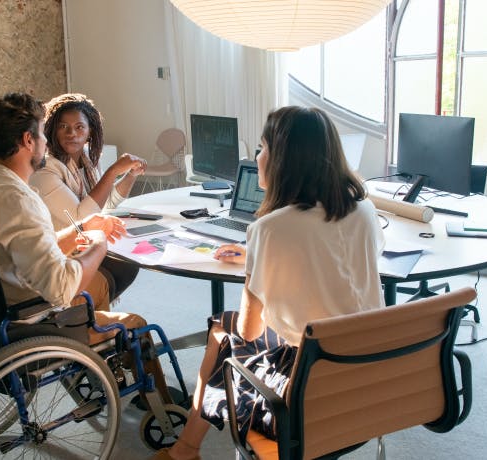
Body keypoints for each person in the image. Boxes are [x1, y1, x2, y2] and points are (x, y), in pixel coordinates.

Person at [153, 106, 385, 460]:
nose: (257, 157)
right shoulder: (363, 209)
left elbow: (249, 329)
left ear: (283, 161)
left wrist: (259, 259)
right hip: (367, 373)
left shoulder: (270, 229)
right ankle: (186, 449)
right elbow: (339, 265)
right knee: (227, 331)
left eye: (262, 148)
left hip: (304, 387)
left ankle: (184, 450)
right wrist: (258, 257)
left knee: (224, 331)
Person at [0, 92, 170, 398]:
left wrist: (81, 228)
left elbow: (31, 244)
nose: (46, 142)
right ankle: (160, 407)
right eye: (44, 133)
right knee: (139, 325)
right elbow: (59, 287)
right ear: (29, 140)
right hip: (32, 320)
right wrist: (99, 244)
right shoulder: (19, 199)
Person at [30, 93, 146, 310]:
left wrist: (130, 175)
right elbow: (81, 218)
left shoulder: (87, 162)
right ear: (52, 129)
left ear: (90, 131)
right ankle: (86, 313)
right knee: (120, 265)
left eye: (79, 127)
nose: (71, 134)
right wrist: (112, 172)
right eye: (63, 126)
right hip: (60, 254)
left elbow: (106, 204)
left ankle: (92, 311)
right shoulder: (46, 169)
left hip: (81, 243)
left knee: (128, 262)